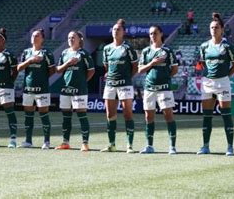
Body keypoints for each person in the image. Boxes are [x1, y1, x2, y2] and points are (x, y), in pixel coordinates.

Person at [197, 13, 234, 156]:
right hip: (207, 83)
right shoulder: (204, 46)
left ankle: (230, 147)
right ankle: (205, 146)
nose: (213, 30)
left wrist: (226, 76)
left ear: (222, 29)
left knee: (226, 115)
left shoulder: (227, 46)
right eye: (211, 27)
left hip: (223, 83)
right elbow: (202, 63)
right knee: (207, 116)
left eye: (216, 27)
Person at [138, 25, 179, 155]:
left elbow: (174, 69)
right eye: (150, 34)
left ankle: (172, 146)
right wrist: (152, 63)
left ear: (161, 34)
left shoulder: (167, 51)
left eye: (155, 33)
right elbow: (140, 70)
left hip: (164, 88)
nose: (153, 36)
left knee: (168, 115)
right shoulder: (145, 51)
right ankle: (149, 146)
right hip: (149, 88)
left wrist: (165, 78)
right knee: (148, 116)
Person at [101, 19, 138, 153]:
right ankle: (112, 144)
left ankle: (129, 145)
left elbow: (135, 67)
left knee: (127, 114)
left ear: (124, 32)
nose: (115, 31)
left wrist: (127, 78)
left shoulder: (128, 48)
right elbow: (107, 67)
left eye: (118, 29)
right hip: (110, 84)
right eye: (114, 29)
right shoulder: (107, 48)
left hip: (125, 85)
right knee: (110, 115)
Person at [55, 31, 95, 151]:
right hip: (65, 89)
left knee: (81, 115)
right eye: (69, 37)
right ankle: (65, 142)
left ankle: (85, 143)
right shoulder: (65, 53)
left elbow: (91, 71)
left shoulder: (84, 54)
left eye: (73, 37)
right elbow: (58, 70)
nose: (71, 39)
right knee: (66, 117)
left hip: (79, 90)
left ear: (79, 39)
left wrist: (82, 81)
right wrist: (68, 63)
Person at [17, 29, 56, 149]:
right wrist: (30, 60)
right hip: (28, 89)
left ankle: (47, 142)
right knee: (28, 115)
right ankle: (28, 141)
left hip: (42, 89)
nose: (34, 37)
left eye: (37, 35)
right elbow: (19, 68)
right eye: (33, 35)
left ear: (42, 39)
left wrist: (42, 79)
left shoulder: (46, 53)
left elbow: (52, 70)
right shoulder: (26, 52)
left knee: (43, 114)